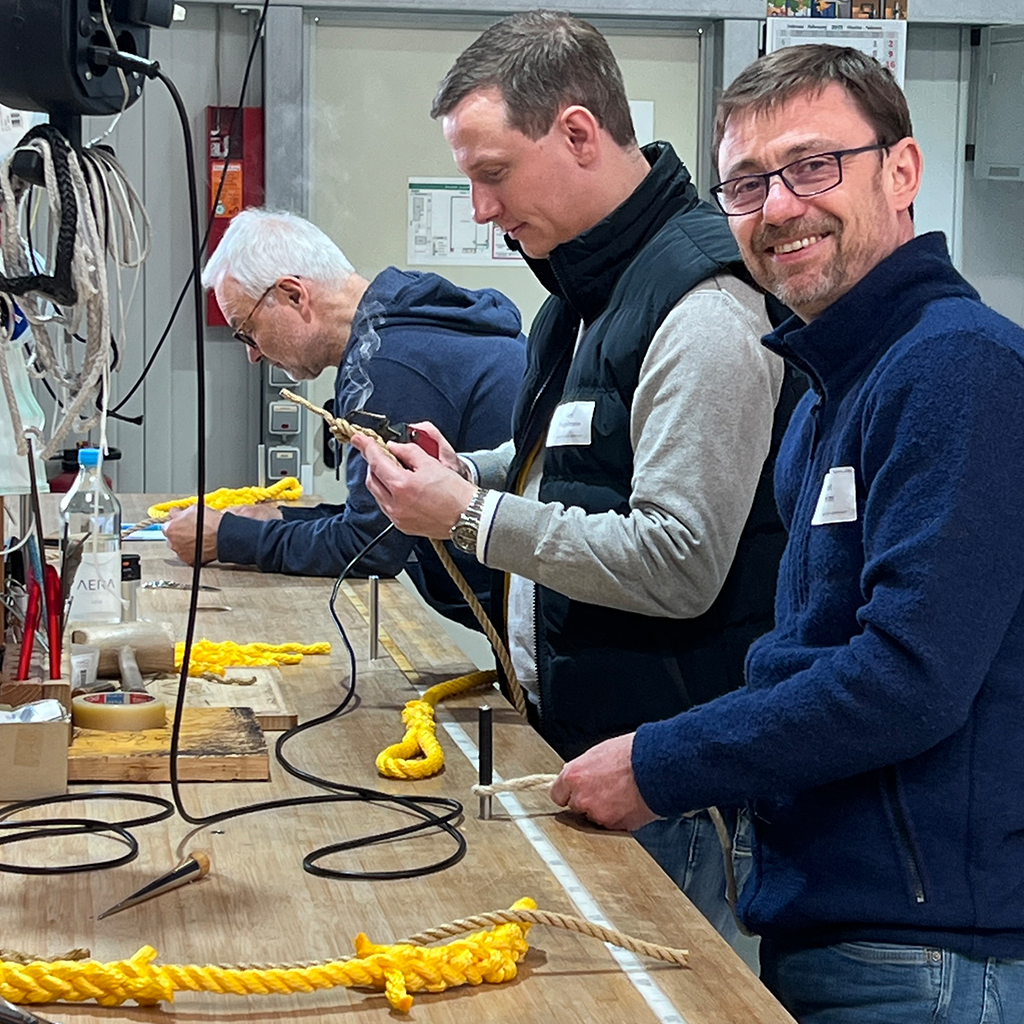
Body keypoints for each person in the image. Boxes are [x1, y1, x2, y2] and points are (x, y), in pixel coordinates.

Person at [549, 43, 1024, 1022]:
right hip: (835, 925)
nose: (777, 208)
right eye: (746, 183)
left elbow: (905, 677)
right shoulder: (823, 392)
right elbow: (806, 653)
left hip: (931, 954)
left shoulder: (958, 369)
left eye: (812, 165)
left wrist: (661, 762)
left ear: (901, 171)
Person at [351, 10, 801, 952]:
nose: (478, 207)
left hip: (671, 792)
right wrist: (462, 471)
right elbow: (579, 463)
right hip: (585, 752)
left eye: (493, 173)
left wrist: (469, 513)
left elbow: (678, 561)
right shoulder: (581, 297)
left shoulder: (703, 308)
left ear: (579, 134)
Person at [164, 209, 527, 628]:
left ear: (293, 295)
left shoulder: (391, 363)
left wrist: (227, 539)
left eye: (247, 331)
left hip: (542, 618)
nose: (253, 353)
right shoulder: (398, 326)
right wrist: (276, 519)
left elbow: (369, 546)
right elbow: (374, 516)